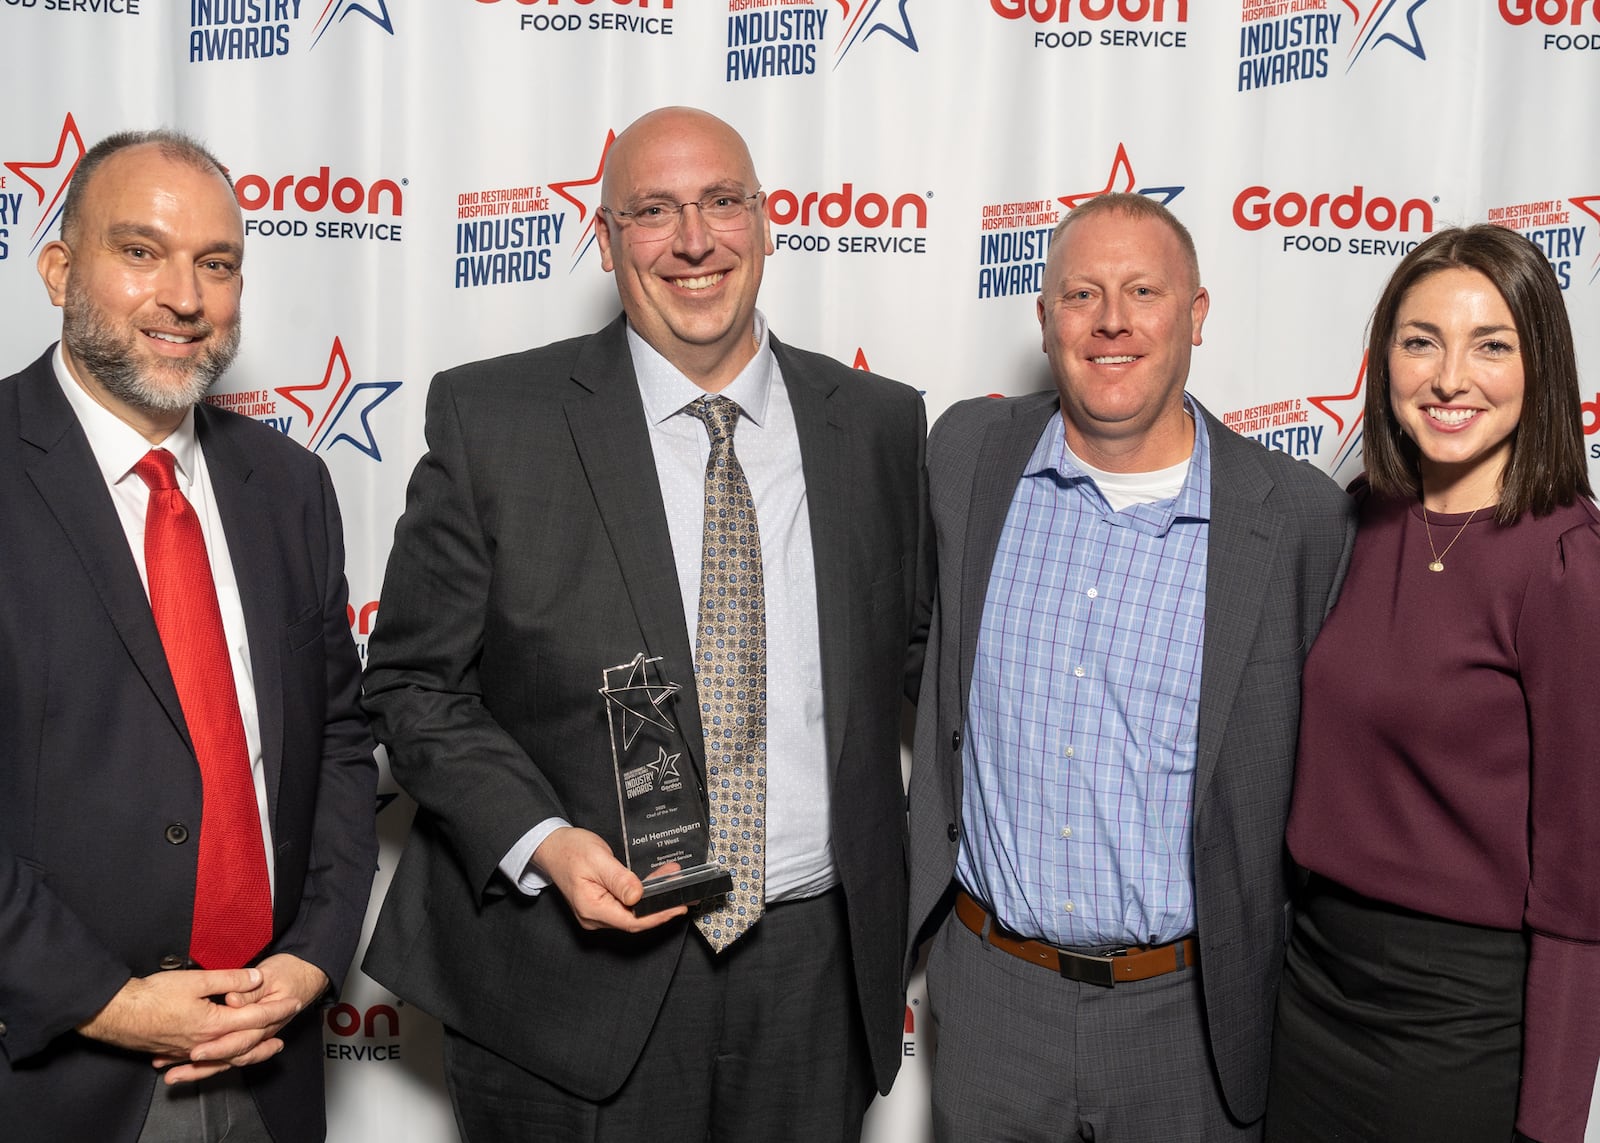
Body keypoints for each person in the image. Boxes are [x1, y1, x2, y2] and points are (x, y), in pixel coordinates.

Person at [361, 106, 929, 1141]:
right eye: (654, 211)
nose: (694, 240)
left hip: (812, 973)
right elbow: (410, 685)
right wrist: (540, 843)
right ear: (607, 234)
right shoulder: (497, 420)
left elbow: (928, 660)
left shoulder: (878, 425)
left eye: (721, 203)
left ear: (765, 224)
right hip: (563, 984)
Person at [906, 192, 1356, 1141]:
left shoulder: (1300, 520)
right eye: (1082, 293)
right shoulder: (968, 456)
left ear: (1194, 315)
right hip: (994, 1001)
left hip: (1186, 1019)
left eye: (1143, 291)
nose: (1112, 320)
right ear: (1045, 320)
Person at [0, 130, 378, 1143]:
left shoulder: (290, 487)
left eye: (217, 264)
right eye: (141, 251)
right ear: (58, 269)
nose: (186, 296)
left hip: (269, 1059)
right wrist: (109, 1004)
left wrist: (312, 956)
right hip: (47, 1071)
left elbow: (340, 739)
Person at [1265, 225, 1600, 1143]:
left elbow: (1583, 880)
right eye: (1422, 341)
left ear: (1542, 364)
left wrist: (1551, 1125)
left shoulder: (1567, 561)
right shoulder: (1359, 518)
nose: (1451, 378)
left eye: (1492, 344)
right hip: (1313, 991)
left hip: (1460, 1023)